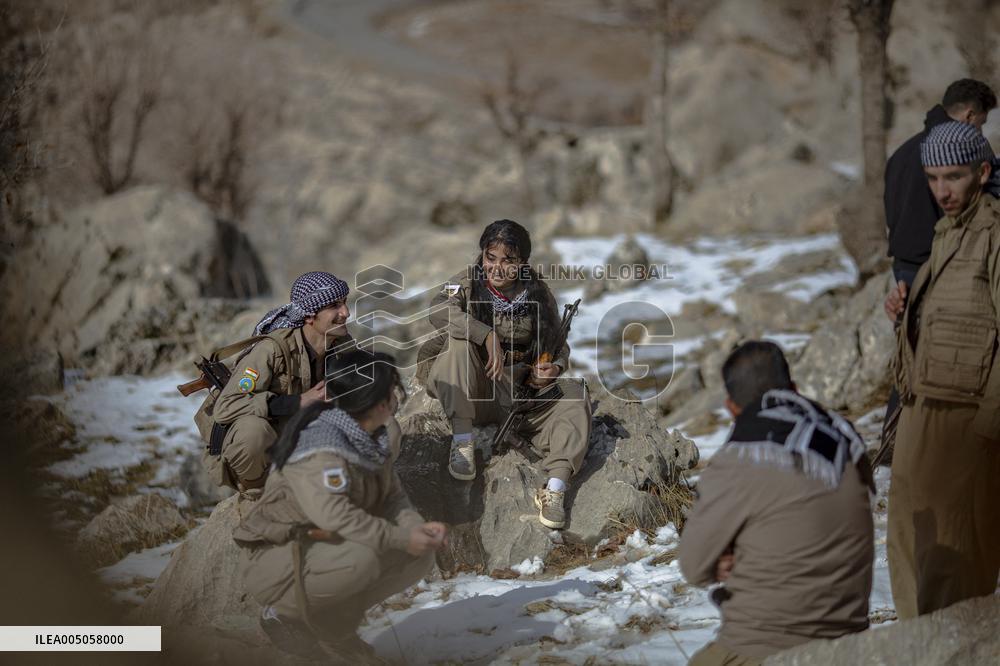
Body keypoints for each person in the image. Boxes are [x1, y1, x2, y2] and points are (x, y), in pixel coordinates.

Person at [233, 349, 445, 660]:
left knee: (417, 556)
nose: (396, 398)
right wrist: (402, 537)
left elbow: (393, 498)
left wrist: (415, 530)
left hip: (327, 548)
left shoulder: (372, 438)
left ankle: (330, 627)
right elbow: (338, 518)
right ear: (375, 401)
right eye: (390, 391)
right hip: (281, 556)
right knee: (362, 559)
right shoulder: (320, 446)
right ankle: (282, 612)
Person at [679, 341, 874, 666]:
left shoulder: (740, 457)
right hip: (850, 641)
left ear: (731, 408)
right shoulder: (843, 438)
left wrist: (733, 552)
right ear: (794, 389)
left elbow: (693, 566)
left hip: (763, 647)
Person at [884, 120, 1000, 619]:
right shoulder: (945, 232)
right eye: (932, 179)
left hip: (964, 420)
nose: (941, 190)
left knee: (954, 556)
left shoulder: (994, 235)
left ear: (982, 172)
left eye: (953, 177)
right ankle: (918, 644)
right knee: (908, 535)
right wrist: (905, 313)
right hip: (919, 409)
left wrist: (986, 429)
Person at [416, 219, 591, 530]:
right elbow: (438, 311)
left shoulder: (538, 293)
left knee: (575, 394)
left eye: (508, 260)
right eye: (490, 257)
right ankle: (462, 441)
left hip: (520, 396)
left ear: (522, 263)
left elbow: (558, 345)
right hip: (474, 391)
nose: (496, 268)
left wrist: (553, 369)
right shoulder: (467, 282)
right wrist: (485, 335)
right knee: (459, 339)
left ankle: (554, 490)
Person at [879, 79, 996, 461]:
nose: (942, 190)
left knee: (913, 354)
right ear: (969, 114)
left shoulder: (900, 154)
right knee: (929, 356)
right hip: (940, 265)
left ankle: (895, 443)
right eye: (981, 121)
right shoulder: (962, 156)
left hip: (906, 266)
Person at [209, 271, 352, 491]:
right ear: (309, 316)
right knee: (253, 432)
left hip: (305, 442)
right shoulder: (272, 349)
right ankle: (257, 493)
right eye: (334, 306)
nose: (346, 312)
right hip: (265, 448)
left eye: (344, 303)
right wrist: (298, 402)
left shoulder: (341, 344)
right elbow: (226, 406)